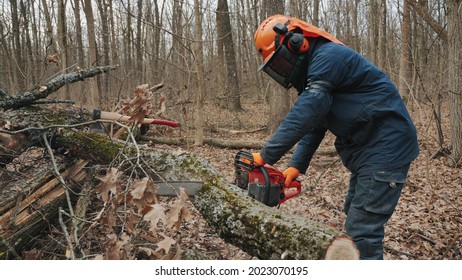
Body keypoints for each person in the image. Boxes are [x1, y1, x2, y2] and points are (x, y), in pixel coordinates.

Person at [251, 14, 419, 260]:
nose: (283, 69)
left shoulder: (329, 57)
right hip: (368, 149)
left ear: (298, 43)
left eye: (282, 63)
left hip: (386, 147)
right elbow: (316, 121)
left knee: (363, 232)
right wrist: (295, 166)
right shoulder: (316, 73)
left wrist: (266, 155)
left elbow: (310, 108)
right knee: (354, 214)